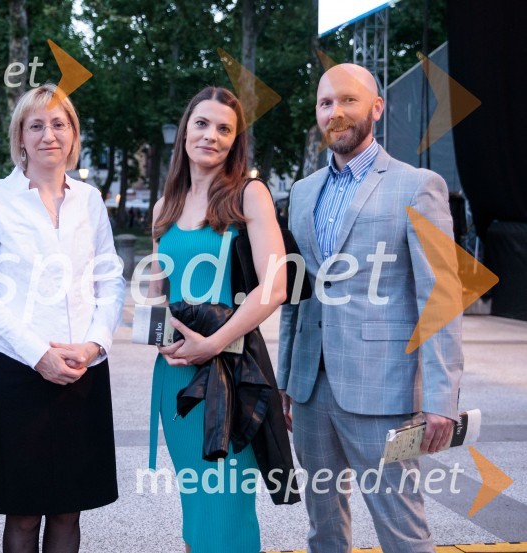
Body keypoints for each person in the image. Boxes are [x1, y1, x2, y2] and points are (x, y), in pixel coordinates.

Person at [277, 63, 463, 553]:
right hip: (310, 393)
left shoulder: (417, 185)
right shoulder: (301, 193)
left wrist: (440, 398)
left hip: (384, 393)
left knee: (402, 532)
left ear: (376, 108)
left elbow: (440, 297)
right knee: (323, 529)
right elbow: (299, 293)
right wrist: (285, 381)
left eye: (348, 100)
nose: (335, 112)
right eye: (325, 104)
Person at [0, 83, 124, 553]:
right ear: (20, 136)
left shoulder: (90, 200)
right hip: (20, 370)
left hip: (83, 370)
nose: (49, 134)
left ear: (73, 134)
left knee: (70, 509)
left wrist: (94, 345)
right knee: (23, 510)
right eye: (37, 125)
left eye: (59, 123)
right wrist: (37, 355)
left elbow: (110, 280)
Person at [147, 86, 287, 552]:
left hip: (229, 377)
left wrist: (213, 344)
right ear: (185, 129)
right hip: (176, 379)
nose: (211, 135)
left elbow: (275, 285)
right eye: (202, 123)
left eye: (224, 128)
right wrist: (161, 337)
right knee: (197, 510)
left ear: (235, 141)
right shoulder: (163, 208)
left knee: (228, 512)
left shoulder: (249, 195)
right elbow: (155, 298)